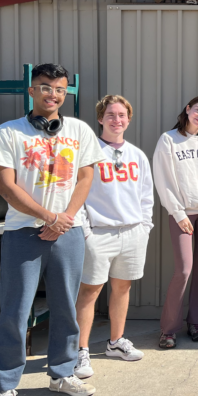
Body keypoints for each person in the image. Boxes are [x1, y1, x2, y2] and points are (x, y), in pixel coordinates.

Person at [0, 63, 105, 396]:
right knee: (15, 310)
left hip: (69, 232)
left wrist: (63, 220)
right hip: (23, 232)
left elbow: (85, 178)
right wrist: (48, 217)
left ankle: (62, 374)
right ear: (32, 90)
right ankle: (5, 386)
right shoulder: (9, 132)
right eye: (46, 87)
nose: (53, 94)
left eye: (60, 89)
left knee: (66, 306)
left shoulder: (80, 131)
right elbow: (5, 186)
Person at [73, 95, 153, 379]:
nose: (116, 120)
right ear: (100, 118)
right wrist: (85, 232)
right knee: (90, 291)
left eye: (122, 115)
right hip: (98, 233)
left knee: (122, 288)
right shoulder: (89, 151)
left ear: (128, 119)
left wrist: (144, 227)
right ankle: (80, 351)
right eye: (111, 115)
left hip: (131, 233)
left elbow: (146, 196)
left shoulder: (137, 155)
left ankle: (115, 342)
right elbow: (76, 194)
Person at [153, 96, 198, 348]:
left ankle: (196, 322)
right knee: (184, 270)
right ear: (188, 109)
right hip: (182, 213)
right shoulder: (169, 139)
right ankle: (168, 329)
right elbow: (163, 180)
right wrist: (178, 213)